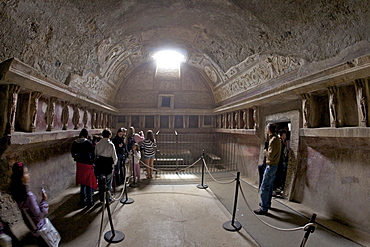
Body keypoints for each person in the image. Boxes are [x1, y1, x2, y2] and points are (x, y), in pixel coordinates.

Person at [10, 162, 49, 246]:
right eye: (26, 173)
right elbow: (39, 216)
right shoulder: (29, 196)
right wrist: (44, 201)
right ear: (21, 177)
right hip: (40, 229)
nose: (29, 174)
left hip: (32, 228)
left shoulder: (18, 193)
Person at [254, 123, 281, 215]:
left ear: (269, 129)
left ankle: (264, 208)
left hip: (271, 165)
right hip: (274, 165)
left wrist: (265, 151)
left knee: (264, 186)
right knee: (269, 186)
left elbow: (271, 155)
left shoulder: (273, 140)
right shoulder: (276, 138)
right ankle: (267, 203)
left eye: (267, 128)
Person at [71, 128, 97, 208]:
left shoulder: (75, 142)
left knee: (83, 183)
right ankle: (90, 201)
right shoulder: (88, 143)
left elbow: (72, 153)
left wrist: (77, 157)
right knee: (89, 182)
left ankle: (82, 201)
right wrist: (93, 160)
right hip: (87, 164)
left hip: (79, 164)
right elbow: (93, 154)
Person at [94, 129, 117, 203]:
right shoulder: (110, 144)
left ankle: (101, 198)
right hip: (108, 164)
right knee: (108, 182)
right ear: (109, 135)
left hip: (100, 164)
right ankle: (108, 198)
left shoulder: (98, 144)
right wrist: (114, 163)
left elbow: (95, 154)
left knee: (101, 182)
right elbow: (114, 156)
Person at [273, 129, 289, 196]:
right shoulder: (279, 142)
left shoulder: (282, 142)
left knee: (279, 174)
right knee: (277, 175)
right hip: (278, 161)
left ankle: (277, 188)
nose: (285, 136)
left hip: (280, 161)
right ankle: (274, 189)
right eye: (284, 134)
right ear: (282, 135)